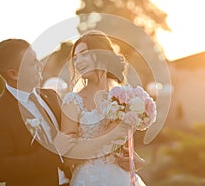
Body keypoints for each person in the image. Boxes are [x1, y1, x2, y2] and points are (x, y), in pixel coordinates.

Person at [0, 39, 71, 186]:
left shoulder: (51, 96)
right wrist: (55, 152)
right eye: (33, 62)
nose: (40, 65)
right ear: (14, 74)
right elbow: (2, 169)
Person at [61, 30, 147, 186]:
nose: (78, 61)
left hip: (123, 179)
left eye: (84, 54)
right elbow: (67, 157)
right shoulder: (73, 101)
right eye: (75, 57)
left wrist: (134, 160)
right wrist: (110, 134)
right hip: (90, 179)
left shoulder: (123, 96)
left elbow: (120, 146)